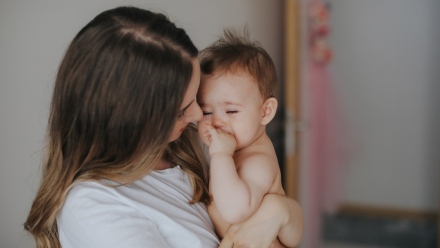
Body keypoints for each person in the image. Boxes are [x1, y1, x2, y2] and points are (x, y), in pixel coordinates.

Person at [24, 6, 303, 248]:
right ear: (134, 123)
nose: (197, 116)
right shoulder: (94, 205)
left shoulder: (188, 147)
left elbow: (278, 208)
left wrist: (278, 211)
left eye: (196, 99)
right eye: (184, 110)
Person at [197, 29, 298, 247]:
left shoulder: (258, 161)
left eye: (231, 111)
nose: (216, 122)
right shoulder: (236, 148)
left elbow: (234, 211)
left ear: (265, 112)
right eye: (206, 112)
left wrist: (221, 155)